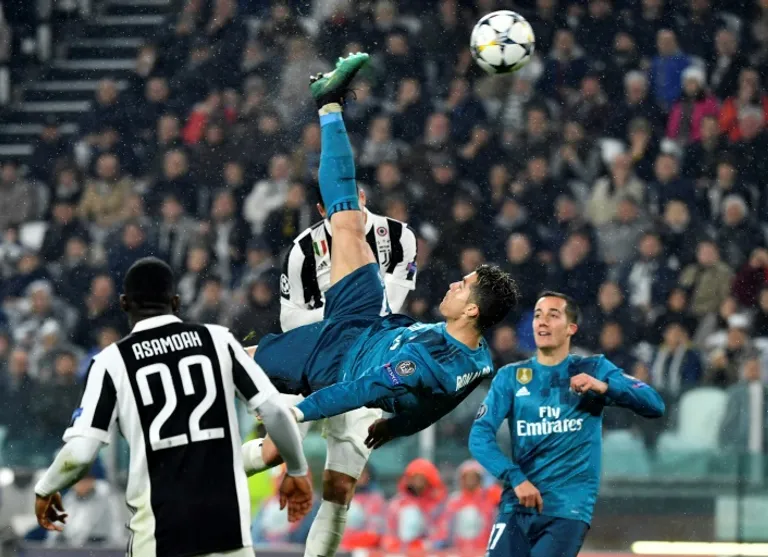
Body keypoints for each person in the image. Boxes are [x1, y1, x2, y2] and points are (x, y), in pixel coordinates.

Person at [242, 53, 520, 557]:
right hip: (369, 320)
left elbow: (360, 390)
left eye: (462, 286)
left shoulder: (423, 365)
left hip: (336, 362)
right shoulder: (478, 359)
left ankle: (203, 463)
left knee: (313, 472)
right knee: (348, 222)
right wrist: (399, 426)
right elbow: (435, 408)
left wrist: (297, 413)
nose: (452, 284)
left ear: (472, 311)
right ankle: (329, 104)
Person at [33, 257, 313, 557]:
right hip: (227, 533)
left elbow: (80, 453)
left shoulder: (111, 363)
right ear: (176, 301)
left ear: (124, 303)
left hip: (160, 536)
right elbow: (275, 412)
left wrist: (46, 489)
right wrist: (297, 470)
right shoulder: (218, 340)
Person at [469, 291, 665, 557]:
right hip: (517, 503)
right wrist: (514, 477)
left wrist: (604, 387)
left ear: (571, 328)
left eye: (553, 315)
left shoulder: (593, 368)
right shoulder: (510, 376)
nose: (542, 322)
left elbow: (654, 404)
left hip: (567, 510)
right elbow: (479, 436)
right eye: (538, 315)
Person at [279, 186, 417, 331]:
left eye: (350, 205)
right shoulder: (302, 250)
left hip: (383, 334)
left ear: (362, 197)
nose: (345, 214)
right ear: (321, 210)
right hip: (327, 337)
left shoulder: (400, 236)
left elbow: (392, 303)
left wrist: (351, 313)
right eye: (335, 209)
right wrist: (332, 313)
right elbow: (288, 321)